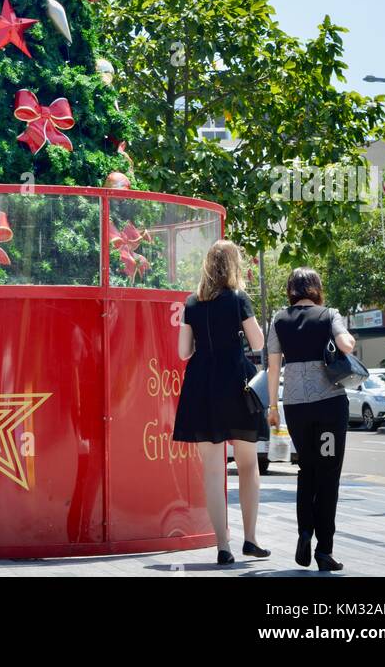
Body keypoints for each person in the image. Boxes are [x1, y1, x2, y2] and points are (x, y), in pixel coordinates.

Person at [174, 239, 270, 565]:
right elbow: (257, 342)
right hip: (237, 383)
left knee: (213, 471)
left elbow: (183, 352)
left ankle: (222, 545)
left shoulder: (191, 302)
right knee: (247, 464)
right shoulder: (238, 299)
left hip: (201, 385)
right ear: (233, 266)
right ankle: (251, 539)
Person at [267, 267, 356, 572]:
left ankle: (304, 530)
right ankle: (324, 550)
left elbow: (273, 367)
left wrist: (273, 407)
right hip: (329, 405)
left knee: (307, 469)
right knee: (328, 474)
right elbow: (346, 345)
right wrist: (343, 336)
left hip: (295, 407)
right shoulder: (329, 314)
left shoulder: (278, 320)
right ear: (316, 288)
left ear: (291, 289)